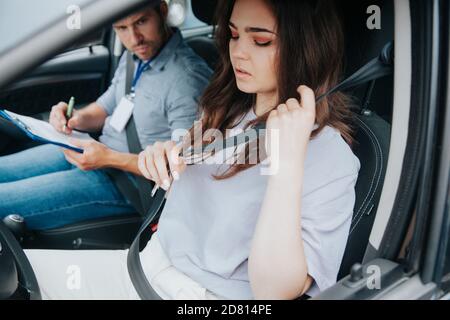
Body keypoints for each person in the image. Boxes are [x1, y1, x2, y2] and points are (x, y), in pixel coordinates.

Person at [25, 0, 360, 300]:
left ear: (306, 47)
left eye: (260, 40)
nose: (238, 52)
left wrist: (286, 162)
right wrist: (163, 158)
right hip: (142, 264)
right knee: (13, 271)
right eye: (233, 35)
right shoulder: (225, 108)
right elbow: (184, 187)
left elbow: (273, 293)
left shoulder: (330, 157)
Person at [0, 0, 212, 230]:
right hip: (95, 152)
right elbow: (106, 105)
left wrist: (108, 158)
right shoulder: (135, 57)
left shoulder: (186, 80)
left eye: (141, 22)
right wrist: (76, 118)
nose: (134, 38)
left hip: (128, 184)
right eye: (121, 28)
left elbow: (183, 167)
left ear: (162, 11)